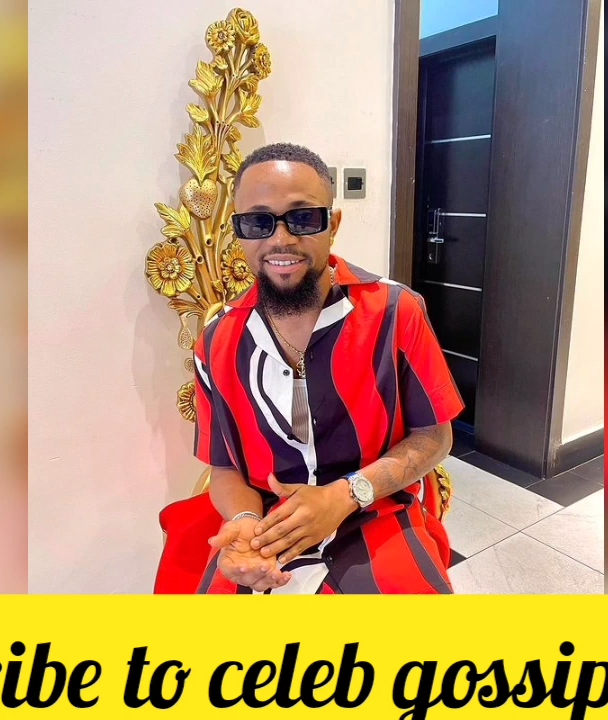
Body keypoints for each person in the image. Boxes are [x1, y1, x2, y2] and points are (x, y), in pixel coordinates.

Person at [192, 142, 463, 594]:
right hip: (266, 525)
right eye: (258, 222)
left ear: (332, 225)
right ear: (238, 232)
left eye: (303, 218)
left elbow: (436, 437)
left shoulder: (396, 312)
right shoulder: (216, 342)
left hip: (376, 509)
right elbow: (224, 466)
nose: (280, 240)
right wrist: (244, 522)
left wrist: (345, 495)